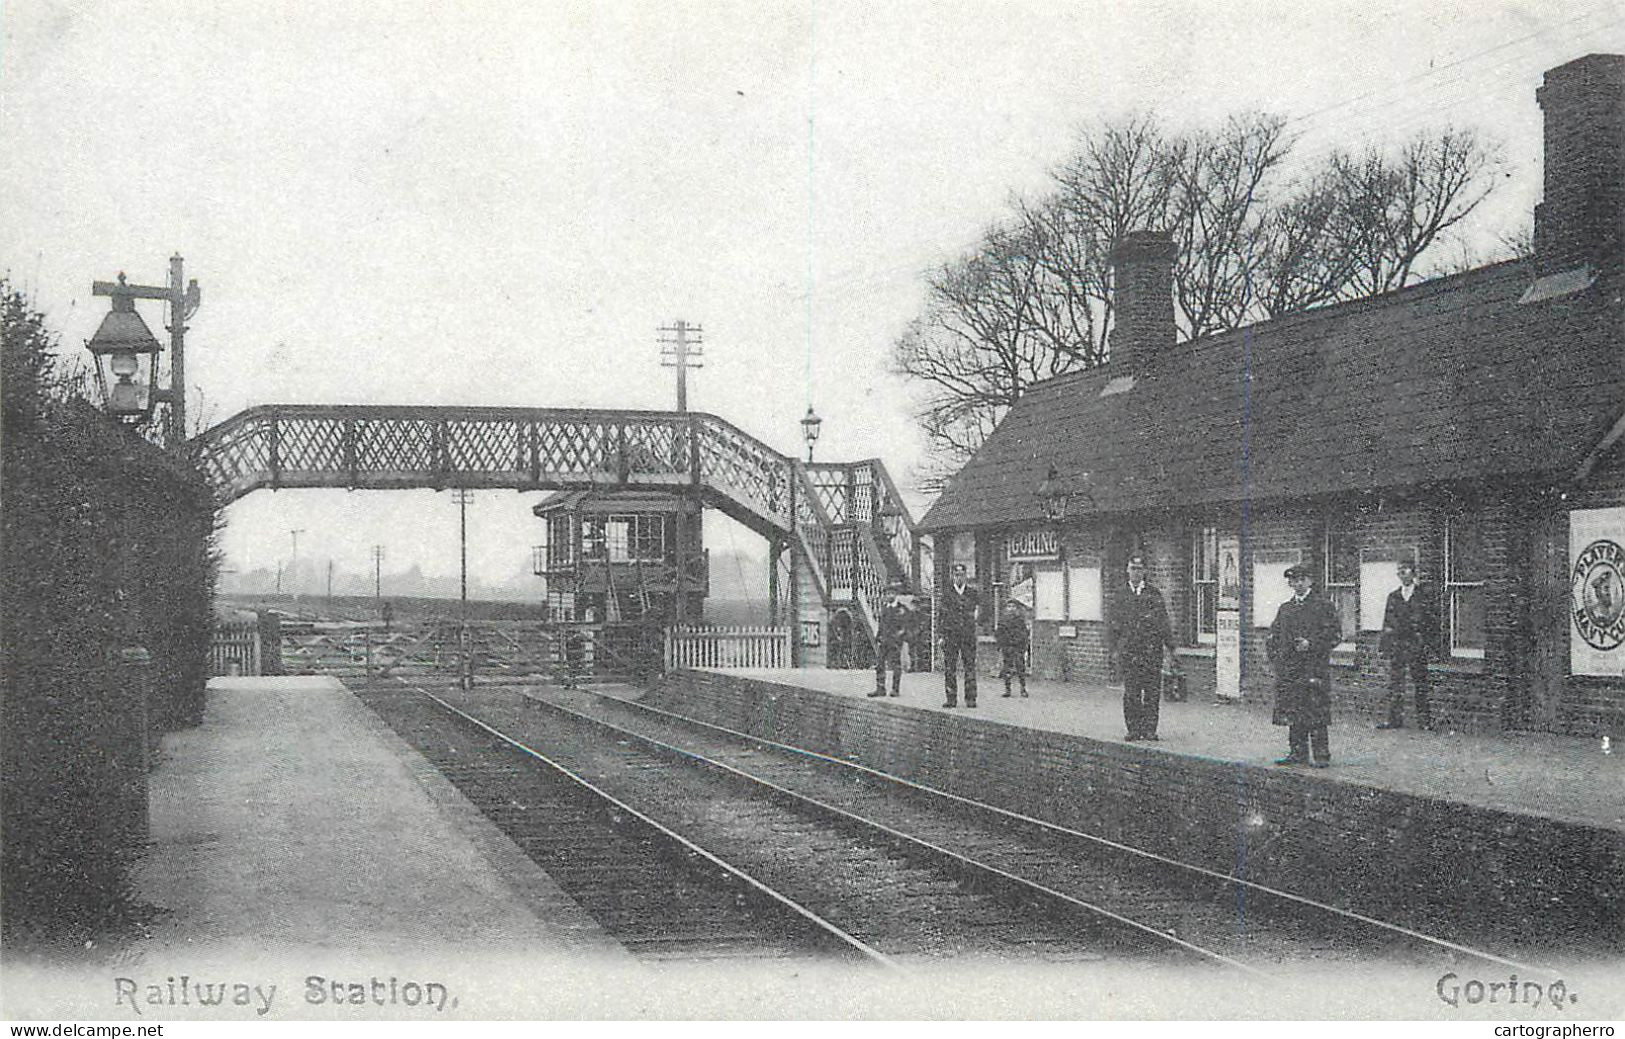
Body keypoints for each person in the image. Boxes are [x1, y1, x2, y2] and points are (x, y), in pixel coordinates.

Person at [1266, 563, 1342, 767]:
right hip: (1291, 669)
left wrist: (1312, 644)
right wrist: (1275, 655)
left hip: (1314, 668)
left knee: (1315, 711)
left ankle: (1321, 755)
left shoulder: (1323, 606)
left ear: (1310, 581)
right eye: (1294, 580)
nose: (1298, 584)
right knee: (1294, 710)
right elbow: (1274, 634)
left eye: (1302, 580)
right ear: (1290, 583)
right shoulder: (1286, 609)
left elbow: (1335, 636)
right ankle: (1297, 752)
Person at [1106, 554, 1179, 741]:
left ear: (1144, 571)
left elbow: (1163, 623)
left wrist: (1171, 647)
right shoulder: (1120, 595)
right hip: (1130, 653)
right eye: (1132, 569)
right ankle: (1133, 729)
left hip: (1151, 653)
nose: (1136, 573)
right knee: (1131, 693)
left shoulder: (1153, 594)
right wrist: (1113, 649)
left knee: (1152, 693)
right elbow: (1113, 625)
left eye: (1139, 569)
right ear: (1127, 570)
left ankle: (1149, 729)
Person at [1378, 560, 1437, 730]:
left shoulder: (1423, 595)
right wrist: (1386, 646)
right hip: (1398, 645)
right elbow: (1387, 622)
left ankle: (1424, 721)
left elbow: (1431, 622)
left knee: (1420, 682)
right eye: (1399, 572)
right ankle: (1394, 719)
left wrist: (1427, 644)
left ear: (1413, 573)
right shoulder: (1393, 596)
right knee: (1396, 683)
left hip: (1415, 644)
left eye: (1405, 571)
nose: (1402, 575)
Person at [939, 563, 981, 708]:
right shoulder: (947, 595)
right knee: (950, 667)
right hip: (951, 636)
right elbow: (942, 616)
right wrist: (941, 635)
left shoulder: (972, 593)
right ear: (952, 576)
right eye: (956, 575)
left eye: (962, 575)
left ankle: (971, 698)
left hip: (968, 636)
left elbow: (979, 613)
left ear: (966, 576)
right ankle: (951, 698)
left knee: (969, 666)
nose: (959, 578)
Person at [869, 585, 911, 698]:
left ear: (896, 594)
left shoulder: (901, 609)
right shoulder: (885, 608)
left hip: (895, 641)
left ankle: (895, 689)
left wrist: (900, 638)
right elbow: (882, 625)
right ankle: (880, 688)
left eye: (892, 593)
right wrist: (878, 637)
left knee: (896, 665)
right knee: (880, 664)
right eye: (888, 594)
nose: (890, 596)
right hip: (884, 640)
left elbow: (906, 626)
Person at [996, 599, 1030, 698]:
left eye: (1013, 607)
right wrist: (1000, 645)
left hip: (1017, 647)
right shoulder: (1002, 620)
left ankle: (1023, 688)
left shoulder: (1020, 620)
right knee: (1007, 668)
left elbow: (1024, 634)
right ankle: (1007, 689)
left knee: (1020, 668)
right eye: (1009, 607)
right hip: (1007, 647)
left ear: (1016, 609)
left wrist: (1021, 645)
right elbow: (999, 633)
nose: (1011, 609)